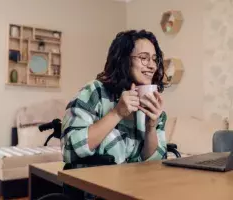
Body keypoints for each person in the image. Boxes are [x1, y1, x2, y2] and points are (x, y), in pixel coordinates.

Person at [61, 30, 167, 165]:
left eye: (154, 59)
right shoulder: (95, 92)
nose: (152, 66)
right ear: (124, 59)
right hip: (95, 183)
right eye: (144, 58)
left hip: (137, 184)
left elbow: (155, 165)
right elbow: (69, 151)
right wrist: (117, 113)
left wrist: (151, 127)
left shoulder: (154, 106)